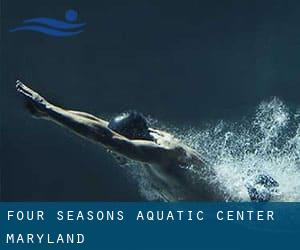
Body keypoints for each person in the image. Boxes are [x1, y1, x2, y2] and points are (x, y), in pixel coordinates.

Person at [15, 80, 277, 201]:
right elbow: (99, 126)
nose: (111, 151)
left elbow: (105, 137)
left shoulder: (161, 154)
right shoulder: (146, 139)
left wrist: (48, 109)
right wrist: (51, 113)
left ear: (132, 140)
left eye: (115, 146)